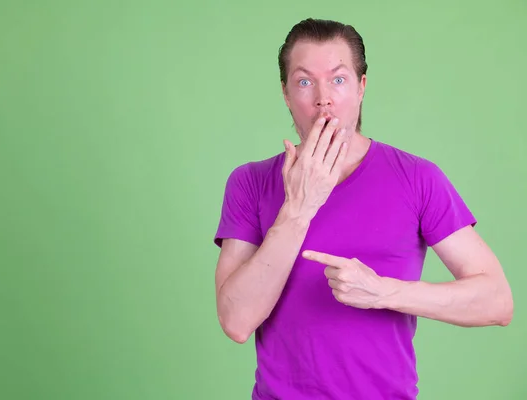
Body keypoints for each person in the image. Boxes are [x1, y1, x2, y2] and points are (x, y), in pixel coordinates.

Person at [212, 18, 514, 400]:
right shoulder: (250, 182)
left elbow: (497, 301)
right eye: (304, 82)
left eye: (338, 79)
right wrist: (298, 210)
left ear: (361, 88)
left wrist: (383, 292)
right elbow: (236, 321)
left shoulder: (418, 178)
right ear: (287, 95)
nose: (323, 98)